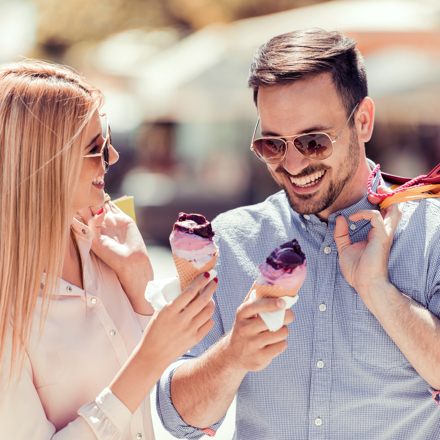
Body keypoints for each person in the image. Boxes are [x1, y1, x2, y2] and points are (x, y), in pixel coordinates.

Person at [156, 29, 440, 439]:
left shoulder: (430, 233)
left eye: (312, 141)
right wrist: (232, 356)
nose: (291, 164)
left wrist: (379, 291)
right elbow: (179, 419)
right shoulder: (232, 241)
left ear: (362, 121)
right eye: (272, 144)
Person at [0, 60, 217, 440]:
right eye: (95, 148)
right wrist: (146, 361)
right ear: (44, 164)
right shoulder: (8, 302)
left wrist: (140, 284)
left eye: (108, 141)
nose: (113, 158)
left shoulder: (108, 241)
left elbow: (160, 407)